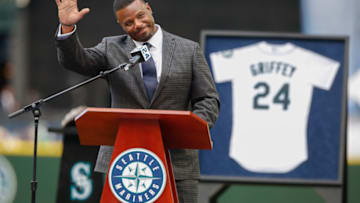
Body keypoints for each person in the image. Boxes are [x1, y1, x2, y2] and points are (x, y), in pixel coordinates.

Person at [54, 0, 220, 202]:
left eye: (140, 16)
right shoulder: (111, 48)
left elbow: (208, 99)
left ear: (149, 8)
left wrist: (190, 129)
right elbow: (76, 61)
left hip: (178, 163)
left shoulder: (189, 50)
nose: (137, 24)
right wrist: (67, 27)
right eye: (128, 23)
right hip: (125, 164)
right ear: (120, 24)